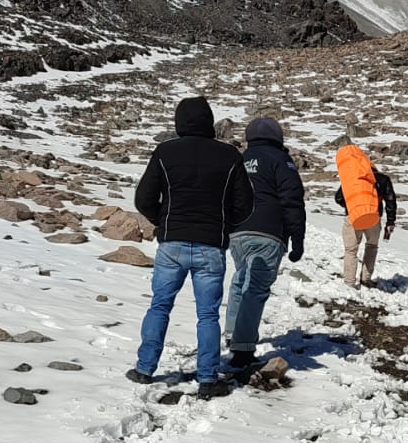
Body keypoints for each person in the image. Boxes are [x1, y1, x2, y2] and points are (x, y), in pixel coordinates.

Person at [128, 96, 254, 399]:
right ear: (208, 121)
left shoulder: (165, 152)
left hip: (172, 243)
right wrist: (223, 227)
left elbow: (143, 198)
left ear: (179, 122)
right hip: (211, 246)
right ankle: (208, 378)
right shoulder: (230, 156)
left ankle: (144, 369)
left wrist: (165, 221)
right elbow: (245, 205)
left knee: (160, 305)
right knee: (208, 315)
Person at [224, 115, 306, 375]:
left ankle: (232, 333)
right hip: (268, 231)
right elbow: (292, 200)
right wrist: (297, 240)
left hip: (238, 231)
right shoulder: (281, 161)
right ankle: (243, 350)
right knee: (256, 288)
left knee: (240, 279)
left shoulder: (239, 160)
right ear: (277, 137)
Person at [334, 135, 397, 287]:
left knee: (351, 251)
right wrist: (390, 221)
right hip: (374, 217)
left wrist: (353, 206)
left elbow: (338, 198)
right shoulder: (382, 179)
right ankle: (366, 278)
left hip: (353, 217)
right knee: (372, 246)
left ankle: (349, 282)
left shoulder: (353, 179)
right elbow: (391, 201)